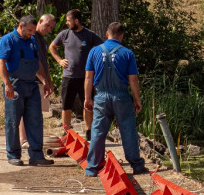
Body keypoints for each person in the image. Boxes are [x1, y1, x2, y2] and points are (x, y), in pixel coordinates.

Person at [83, 21, 147, 176]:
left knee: (98, 131)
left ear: (107, 34)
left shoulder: (94, 52)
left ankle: (92, 167)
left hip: (101, 96)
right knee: (128, 129)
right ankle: (136, 165)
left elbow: (88, 78)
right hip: (121, 96)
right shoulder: (127, 53)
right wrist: (137, 100)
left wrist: (87, 98)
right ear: (122, 36)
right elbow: (133, 80)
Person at [0, 15, 55, 166]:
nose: (31, 33)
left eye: (33, 31)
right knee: (13, 120)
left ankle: (36, 156)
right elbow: (1, 62)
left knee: (35, 120)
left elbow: (38, 63)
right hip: (15, 86)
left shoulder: (33, 41)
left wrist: (45, 82)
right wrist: (7, 83)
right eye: (29, 30)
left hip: (32, 86)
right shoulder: (7, 40)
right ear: (21, 26)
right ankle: (13, 155)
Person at [49, 9, 102, 139]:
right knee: (66, 105)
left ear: (76, 21)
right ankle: (66, 131)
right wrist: (59, 60)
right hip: (69, 76)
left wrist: (96, 64)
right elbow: (52, 47)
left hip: (86, 78)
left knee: (88, 104)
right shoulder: (64, 34)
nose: (67, 23)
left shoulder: (90, 35)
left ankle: (89, 132)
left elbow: (103, 48)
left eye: (68, 20)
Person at [20, 13, 57, 147]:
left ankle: (33, 138)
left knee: (37, 110)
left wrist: (48, 81)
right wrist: (43, 79)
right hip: (29, 78)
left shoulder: (43, 41)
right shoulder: (31, 37)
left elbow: (44, 62)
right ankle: (24, 139)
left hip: (41, 80)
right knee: (25, 110)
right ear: (40, 21)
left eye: (51, 28)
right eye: (47, 25)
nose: (48, 29)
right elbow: (33, 61)